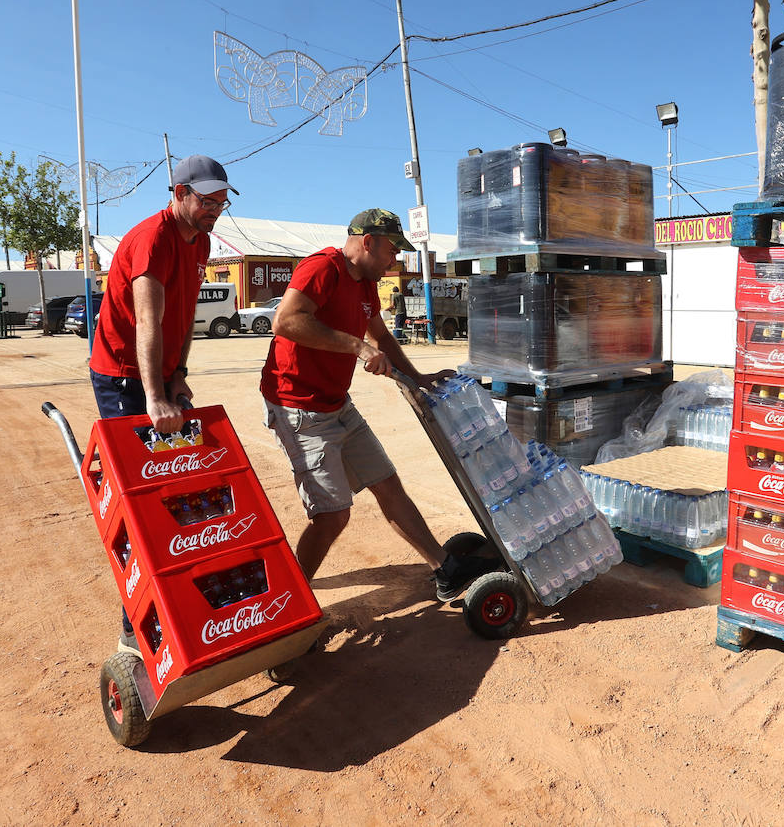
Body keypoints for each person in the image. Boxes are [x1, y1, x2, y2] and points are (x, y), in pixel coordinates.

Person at [261, 208, 500, 602]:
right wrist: (356, 346)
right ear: (367, 242)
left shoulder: (365, 282)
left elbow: (382, 338)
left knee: (387, 484)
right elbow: (285, 321)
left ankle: (445, 570)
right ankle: (286, 598)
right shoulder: (322, 269)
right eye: (392, 251)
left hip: (337, 403)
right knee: (333, 514)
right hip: (299, 408)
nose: (396, 260)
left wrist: (418, 379)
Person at [88, 154, 235, 649]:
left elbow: (186, 311)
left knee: (181, 487)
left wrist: (179, 377)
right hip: (124, 377)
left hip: (160, 376)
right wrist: (154, 395)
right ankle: (138, 625)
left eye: (222, 199)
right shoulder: (151, 239)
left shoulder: (202, 243)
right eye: (207, 199)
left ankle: (186, 587)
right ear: (178, 194)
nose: (216, 207)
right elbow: (148, 322)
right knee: (142, 497)